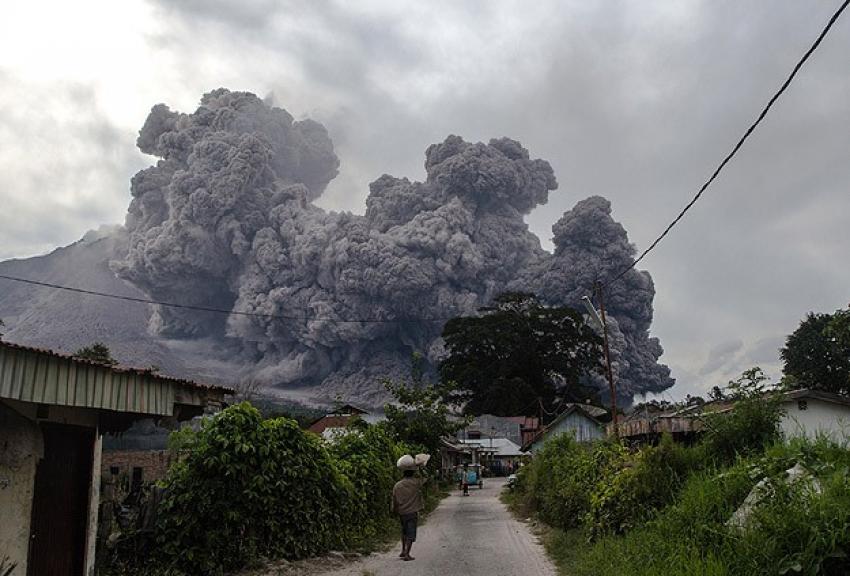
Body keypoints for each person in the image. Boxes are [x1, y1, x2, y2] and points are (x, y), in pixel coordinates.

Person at [392, 454, 426, 561]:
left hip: (401, 512)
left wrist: (394, 510)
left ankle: (402, 551)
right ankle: (407, 554)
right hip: (412, 512)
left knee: (404, 532)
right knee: (411, 533)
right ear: (413, 473)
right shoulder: (416, 483)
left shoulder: (397, 485)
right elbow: (425, 478)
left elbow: (394, 500)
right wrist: (420, 467)